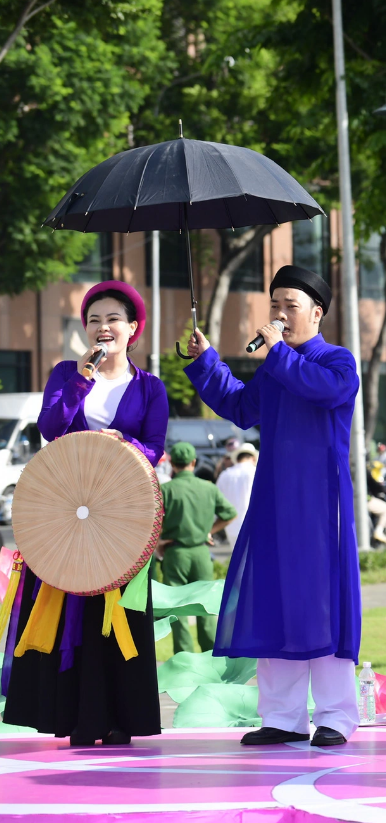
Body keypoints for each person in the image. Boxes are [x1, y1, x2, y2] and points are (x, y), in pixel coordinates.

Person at [183, 264, 362, 748]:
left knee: (323, 607)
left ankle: (335, 716)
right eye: (275, 305)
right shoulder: (278, 365)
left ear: (317, 312)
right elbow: (242, 408)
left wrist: (279, 352)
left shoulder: (337, 361)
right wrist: (207, 362)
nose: (279, 314)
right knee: (276, 600)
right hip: (275, 500)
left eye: (291, 305)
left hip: (322, 506)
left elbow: (327, 391)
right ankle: (282, 718)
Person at [3, 281, 167, 746]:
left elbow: (154, 446)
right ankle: (75, 717)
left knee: (117, 609)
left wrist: (123, 444)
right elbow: (51, 428)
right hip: (65, 511)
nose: (103, 327)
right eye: (94, 320)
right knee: (70, 602)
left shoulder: (150, 387)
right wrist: (81, 380)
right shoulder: (66, 373)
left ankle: (120, 718)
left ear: (132, 328)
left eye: (113, 318)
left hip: (124, 514)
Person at [158, 442, 236, 655]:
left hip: (176, 553)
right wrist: (210, 530)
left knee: (178, 610)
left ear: (172, 464)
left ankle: (183, 657)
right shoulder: (209, 488)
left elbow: (152, 521)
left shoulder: (165, 490)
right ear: (194, 462)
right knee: (205, 607)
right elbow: (230, 514)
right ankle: (210, 656)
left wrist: (160, 541)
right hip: (202, 552)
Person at [216, 443, 257, 547]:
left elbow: (217, 502)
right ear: (253, 458)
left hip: (231, 527)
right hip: (253, 526)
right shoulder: (255, 472)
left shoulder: (225, 475)